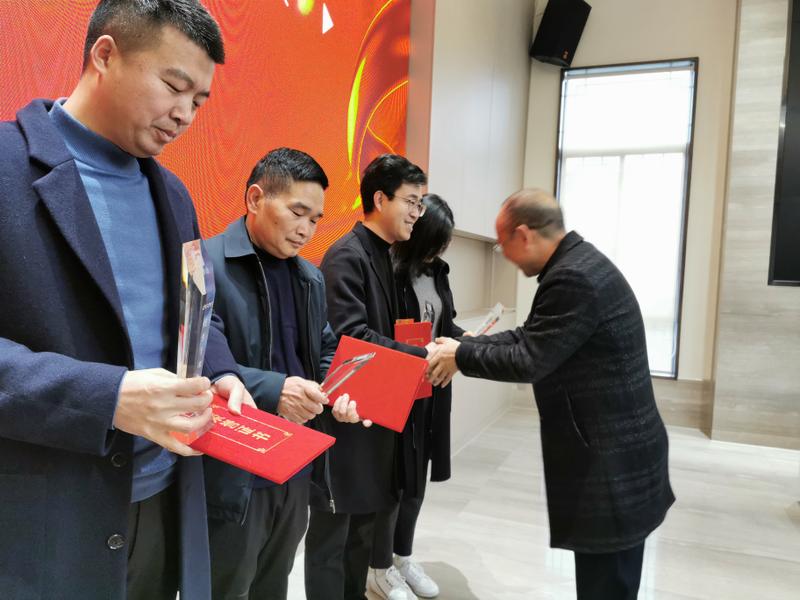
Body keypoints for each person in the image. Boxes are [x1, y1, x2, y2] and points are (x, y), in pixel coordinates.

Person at [0, 2, 253, 599]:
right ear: (106, 55)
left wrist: (220, 372)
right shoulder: (7, 167)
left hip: (165, 500)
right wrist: (106, 397)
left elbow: (195, 310)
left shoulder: (175, 195)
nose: (185, 114)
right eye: (174, 86)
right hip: (42, 516)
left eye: (199, 101)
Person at [427, 189, 675, 600]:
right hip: (620, 454)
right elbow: (533, 335)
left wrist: (461, 355)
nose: (506, 256)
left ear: (523, 235)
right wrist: (470, 344)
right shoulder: (578, 263)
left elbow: (530, 359)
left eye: (503, 244)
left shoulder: (573, 277)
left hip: (609, 465)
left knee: (606, 585)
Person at [202, 147, 368, 599]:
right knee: (226, 587)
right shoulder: (205, 262)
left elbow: (323, 347)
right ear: (256, 198)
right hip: (232, 469)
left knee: (274, 584)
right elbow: (197, 357)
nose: (306, 230)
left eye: (315, 219)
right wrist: (276, 390)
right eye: (297, 213)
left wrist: (339, 391)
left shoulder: (310, 277)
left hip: (294, 463)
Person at [305, 154, 429, 600]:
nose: (417, 213)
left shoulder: (384, 256)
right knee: (333, 539)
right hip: (344, 419)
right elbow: (349, 337)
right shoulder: (347, 255)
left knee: (360, 533)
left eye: (421, 203)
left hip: (374, 413)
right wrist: (424, 355)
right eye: (411, 201)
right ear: (380, 199)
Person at [366, 193, 466, 599]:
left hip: (432, 388)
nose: (439, 251)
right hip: (396, 388)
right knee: (392, 483)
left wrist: (466, 343)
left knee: (417, 482)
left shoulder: (438, 272)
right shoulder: (389, 272)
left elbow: (446, 323)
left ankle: (402, 557)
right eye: (435, 241)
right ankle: (378, 567)